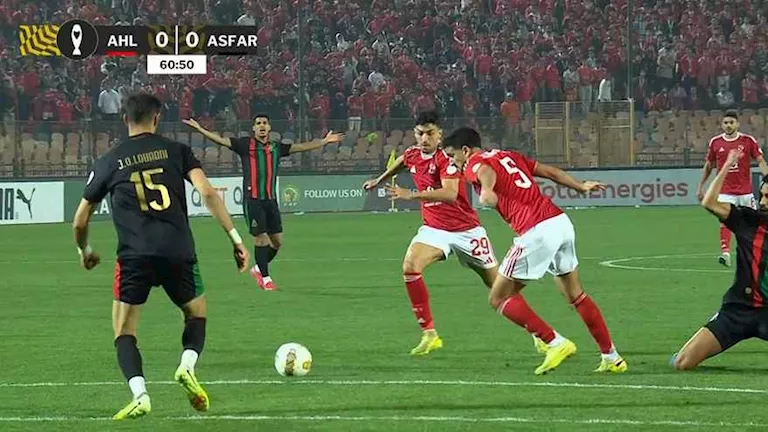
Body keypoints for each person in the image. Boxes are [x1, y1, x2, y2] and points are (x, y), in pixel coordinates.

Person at [72, 93, 250, 420]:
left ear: (124, 119)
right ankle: (187, 365)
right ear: (157, 118)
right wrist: (236, 239)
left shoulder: (109, 161)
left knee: (124, 331)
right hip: (178, 251)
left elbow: (80, 220)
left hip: (134, 256)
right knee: (195, 314)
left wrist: (85, 251)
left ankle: (140, 395)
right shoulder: (177, 151)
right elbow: (208, 193)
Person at [443, 127, 626, 375]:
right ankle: (612, 357)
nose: (453, 162)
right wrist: (580, 186)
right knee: (575, 294)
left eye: (453, 156)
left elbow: (484, 172)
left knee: (498, 298)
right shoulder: (508, 155)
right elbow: (550, 172)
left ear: (465, 150)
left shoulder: (474, 162)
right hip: (560, 222)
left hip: (536, 232)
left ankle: (554, 342)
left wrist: (487, 190)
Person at [363, 111, 499, 356]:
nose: (424, 138)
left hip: (466, 230)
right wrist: (379, 180)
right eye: (420, 133)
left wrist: (411, 195)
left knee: (499, 289)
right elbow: (402, 161)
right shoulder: (413, 154)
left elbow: (450, 194)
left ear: (439, 134)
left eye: (429, 133)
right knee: (410, 267)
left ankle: (540, 336)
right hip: (434, 229)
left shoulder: (447, 158)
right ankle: (429, 334)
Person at [183, 115, 343, 290]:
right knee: (261, 239)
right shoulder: (245, 145)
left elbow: (301, 147)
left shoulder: (276, 147)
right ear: (253, 128)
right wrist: (200, 129)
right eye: (258, 123)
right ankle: (266, 279)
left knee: (277, 242)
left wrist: (324, 141)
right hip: (253, 201)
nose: (261, 126)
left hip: (271, 201)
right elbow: (221, 140)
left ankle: (259, 268)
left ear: (269, 127)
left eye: (264, 123)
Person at [674, 148, 768, 370]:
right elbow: (709, 202)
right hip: (738, 310)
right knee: (683, 363)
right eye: (762, 195)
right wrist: (726, 165)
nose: (763, 202)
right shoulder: (748, 220)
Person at [696, 111, 768, 267]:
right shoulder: (715, 142)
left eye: (731, 122)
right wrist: (701, 186)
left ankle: (755, 252)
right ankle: (725, 253)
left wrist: (767, 177)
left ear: (737, 124)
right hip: (725, 191)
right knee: (724, 220)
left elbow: (760, 160)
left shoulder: (748, 140)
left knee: (754, 223)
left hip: (745, 192)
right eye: (726, 123)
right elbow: (709, 165)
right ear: (722, 125)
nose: (728, 125)